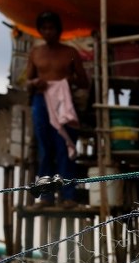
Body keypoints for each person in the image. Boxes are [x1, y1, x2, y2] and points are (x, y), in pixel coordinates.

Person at [25, 11, 90, 208]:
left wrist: (68, 81)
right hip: (41, 101)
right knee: (45, 149)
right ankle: (46, 197)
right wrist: (36, 82)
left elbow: (84, 81)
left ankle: (69, 196)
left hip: (64, 102)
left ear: (58, 30)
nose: (48, 32)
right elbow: (27, 82)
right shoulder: (36, 53)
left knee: (65, 147)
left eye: (51, 28)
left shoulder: (70, 53)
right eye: (44, 28)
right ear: (40, 30)